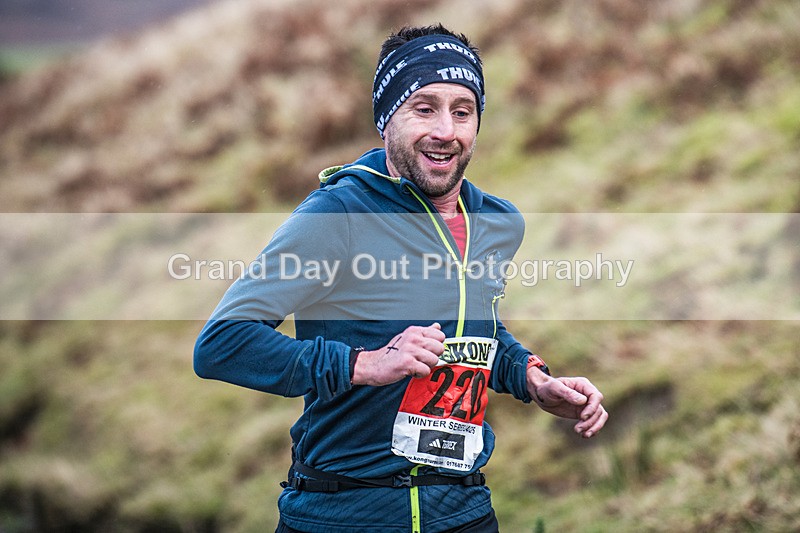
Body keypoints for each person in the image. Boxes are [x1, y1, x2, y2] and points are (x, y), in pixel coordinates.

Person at [194, 24, 608, 533]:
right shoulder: (338, 215)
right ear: (386, 119)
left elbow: (475, 336)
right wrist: (364, 364)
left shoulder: (496, 224)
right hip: (344, 515)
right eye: (424, 108)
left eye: (463, 111)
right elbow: (221, 344)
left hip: (464, 512)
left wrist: (530, 377)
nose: (446, 131)